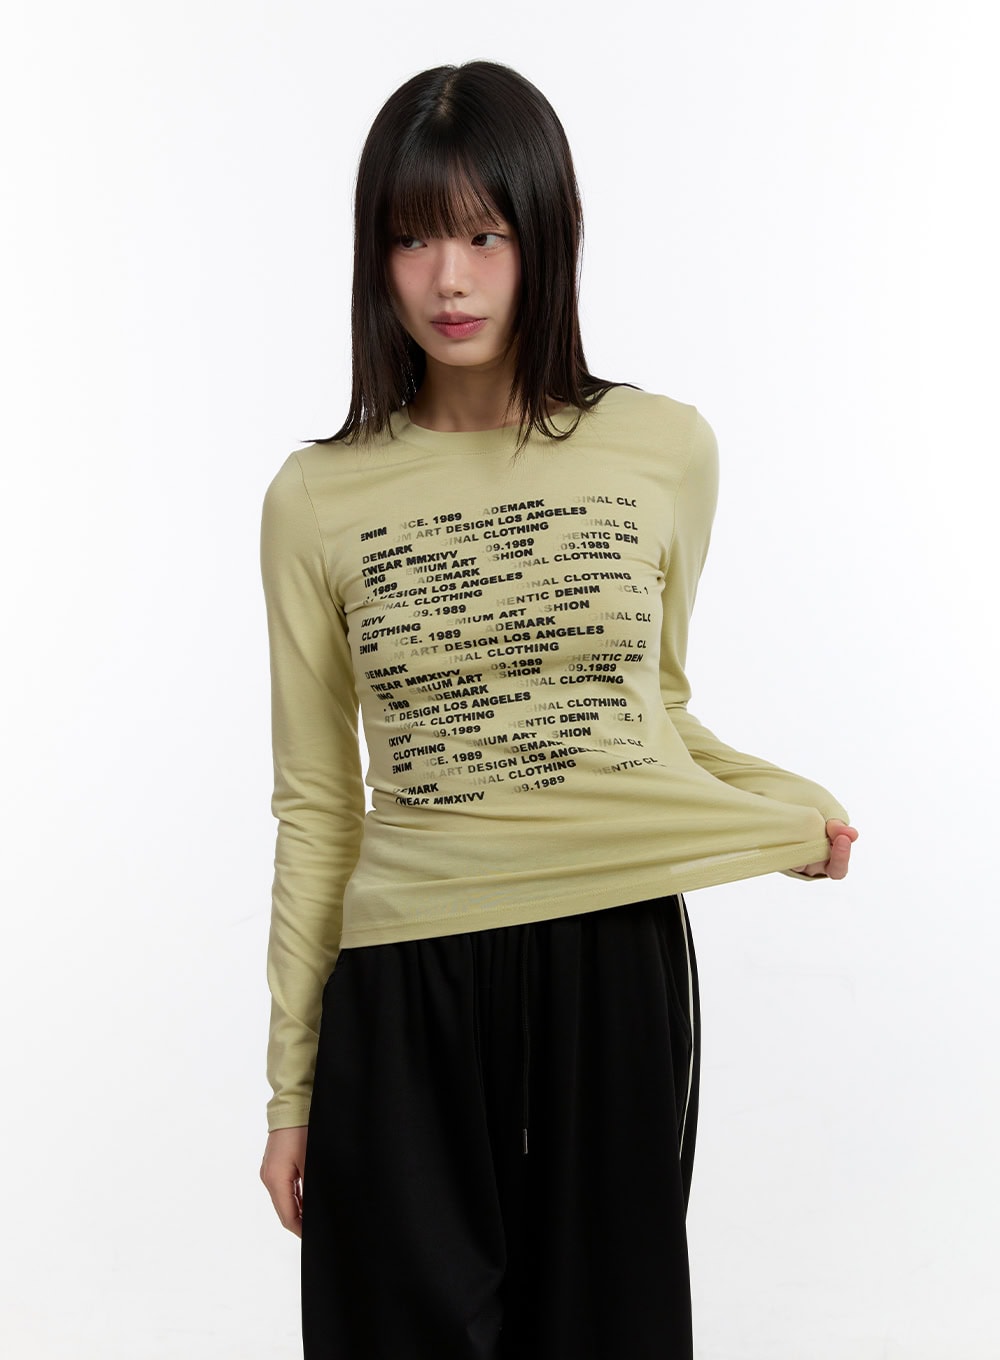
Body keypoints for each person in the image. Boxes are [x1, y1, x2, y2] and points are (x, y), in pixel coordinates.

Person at [257, 60, 858, 1360]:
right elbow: (316, 806)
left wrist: (778, 805)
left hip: (610, 962)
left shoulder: (665, 450)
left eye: (485, 234)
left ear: (549, 236)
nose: (449, 279)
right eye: (413, 238)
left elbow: (646, 715)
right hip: (406, 983)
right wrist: (290, 1090)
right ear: (374, 255)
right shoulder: (313, 499)